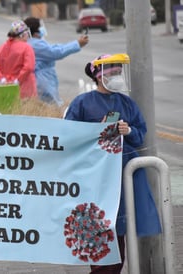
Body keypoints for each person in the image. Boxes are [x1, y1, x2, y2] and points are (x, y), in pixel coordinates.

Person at [64, 53, 162, 274]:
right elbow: (68, 135)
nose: (117, 76)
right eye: (112, 72)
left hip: (122, 177)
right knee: (99, 232)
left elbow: (140, 134)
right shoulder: (82, 103)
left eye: (119, 71)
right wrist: (94, 131)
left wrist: (129, 131)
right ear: (98, 76)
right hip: (95, 179)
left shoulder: (127, 103)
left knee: (118, 232)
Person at [24, 16, 89, 106]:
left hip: (45, 78)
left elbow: (54, 47)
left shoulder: (35, 42)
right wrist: (77, 44)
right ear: (35, 31)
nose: (42, 29)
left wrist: (76, 43)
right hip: (42, 81)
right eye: (40, 27)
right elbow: (55, 52)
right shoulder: (34, 44)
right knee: (51, 106)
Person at [0, 20, 37, 99]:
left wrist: (3, 79)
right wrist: (17, 80)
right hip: (25, 87)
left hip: (5, 87)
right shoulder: (27, 48)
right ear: (22, 35)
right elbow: (29, 67)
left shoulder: (2, 47)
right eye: (26, 33)